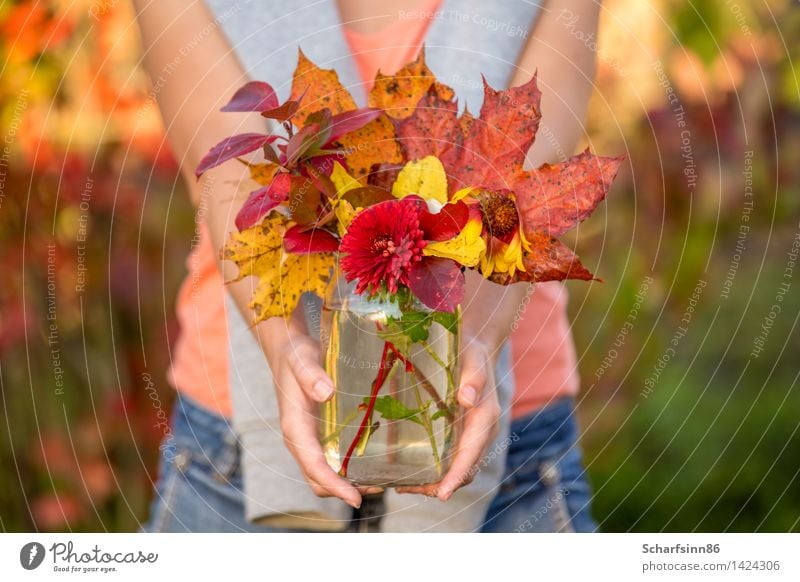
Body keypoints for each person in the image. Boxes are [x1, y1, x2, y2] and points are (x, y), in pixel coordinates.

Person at [135, 0, 600, 533]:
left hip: (503, 438)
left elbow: (520, 207)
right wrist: (284, 344)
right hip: (237, 441)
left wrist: (474, 340)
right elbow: (228, 181)